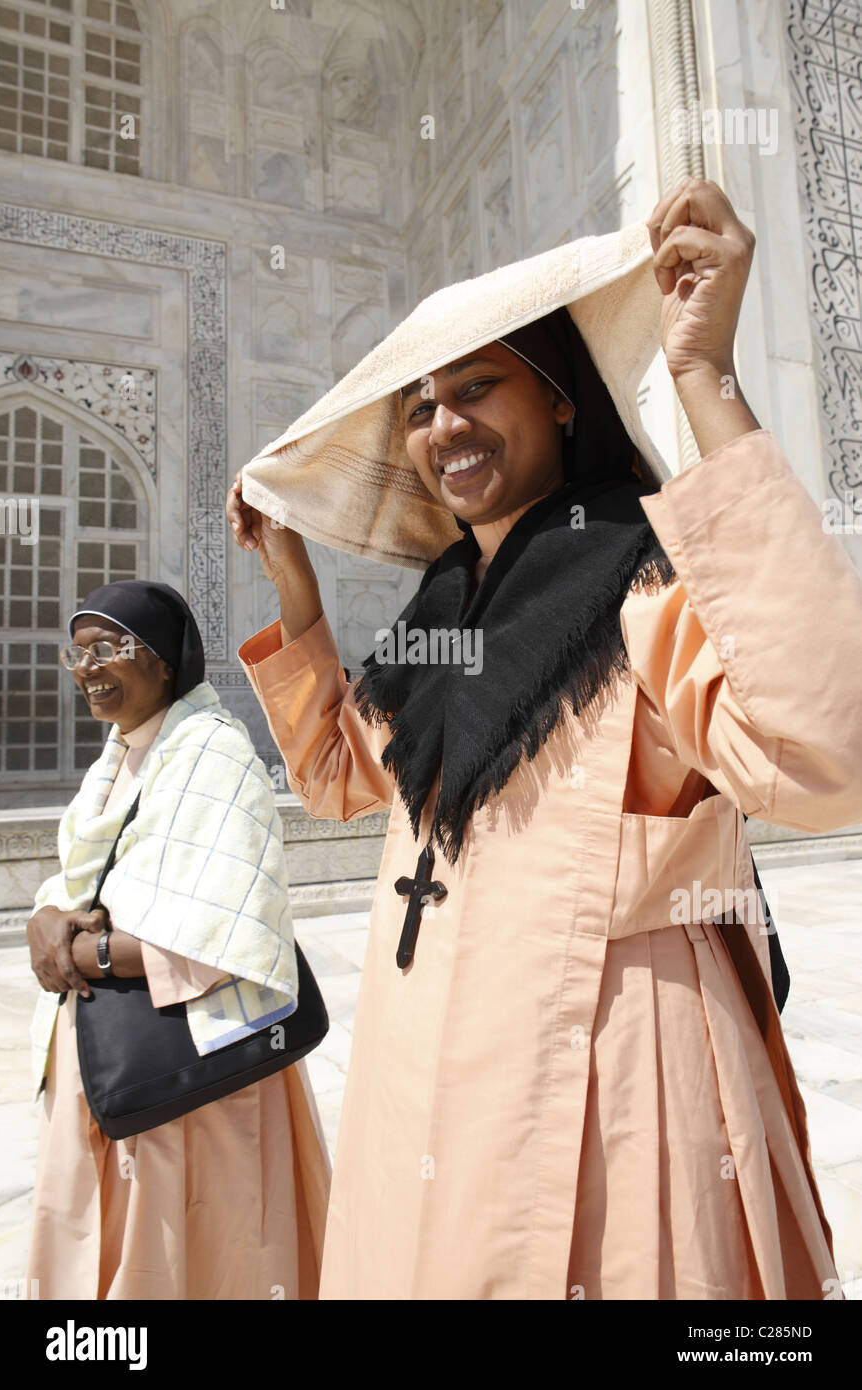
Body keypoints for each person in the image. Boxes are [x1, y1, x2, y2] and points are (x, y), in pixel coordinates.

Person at [226, 178, 862, 1298]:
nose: (441, 427)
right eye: (419, 407)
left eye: (476, 388)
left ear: (562, 398)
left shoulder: (641, 575)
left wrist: (703, 377)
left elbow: (824, 759)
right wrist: (295, 586)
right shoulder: (440, 609)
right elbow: (336, 776)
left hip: (602, 1084)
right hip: (419, 1075)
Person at [25, 580, 331, 1300]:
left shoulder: (215, 756)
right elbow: (79, 883)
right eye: (80, 652)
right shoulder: (119, 759)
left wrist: (85, 954)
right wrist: (46, 920)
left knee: (197, 1247)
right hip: (107, 1055)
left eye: (111, 649)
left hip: (194, 1068)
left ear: (164, 662)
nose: (89, 666)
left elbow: (229, 930)